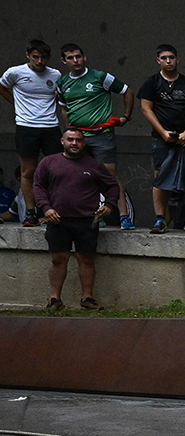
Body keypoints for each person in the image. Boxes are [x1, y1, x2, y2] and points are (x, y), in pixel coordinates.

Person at [32, 126, 121, 309]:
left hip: (86, 220)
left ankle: (87, 298)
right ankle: (54, 299)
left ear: (84, 143)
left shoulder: (94, 165)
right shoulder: (48, 162)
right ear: (62, 141)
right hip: (57, 220)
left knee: (86, 259)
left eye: (78, 140)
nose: (74, 143)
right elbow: (38, 186)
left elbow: (113, 186)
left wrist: (109, 205)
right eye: (70, 139)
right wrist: (46, 208)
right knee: (58, 258)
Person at [54, 43, 136, 229]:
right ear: (64, 61)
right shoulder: (62, 83)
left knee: (110, 175)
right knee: (81, 175)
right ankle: (93, 214)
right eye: (70, 58)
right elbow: (64, 109)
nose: (75, 60)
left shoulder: (101, 77)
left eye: (78, 56)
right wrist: (69, 132)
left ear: (84, 57)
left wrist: (125, 116)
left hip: (102, 134)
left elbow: (127, 91)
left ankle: (124, 216)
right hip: (78, 137)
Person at [135, 45, 185, 231]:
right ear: (158, 60)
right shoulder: (151, 82)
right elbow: (146, 109)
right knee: (160, 175)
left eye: (171, 57)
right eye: (164, 58)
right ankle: (160, 219)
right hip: (161, 138)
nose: (168, 61)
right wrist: (163, 132)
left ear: (177, 59)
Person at [4, 39, 64, 226]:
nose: (39, 61)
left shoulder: (55, 74)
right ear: (28, 56)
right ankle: (31, 212)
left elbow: (61, 96)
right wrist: (16, 104)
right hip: (26, 126)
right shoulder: (15, 72)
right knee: (28, 170)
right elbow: (2, 86)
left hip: (50, 126)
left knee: (57, 170)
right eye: (35, 57)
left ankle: (56, 210)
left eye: (43, 57)